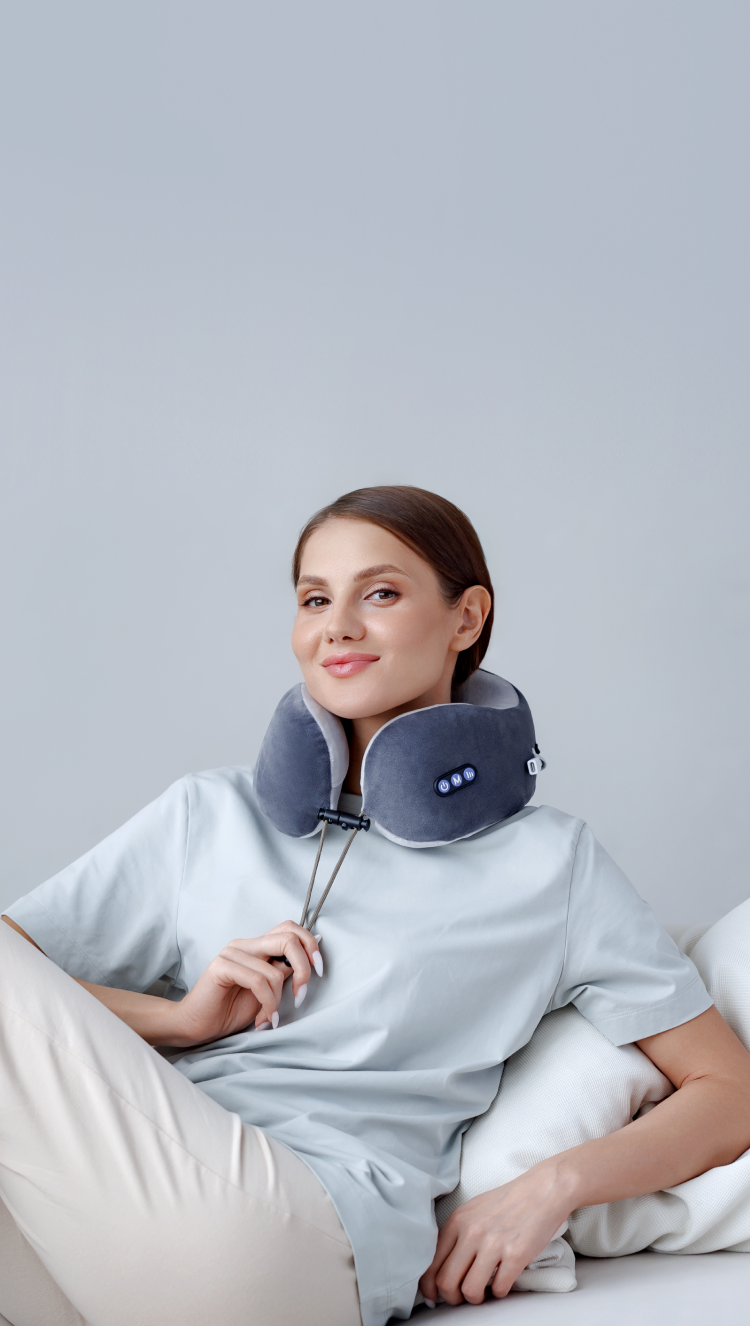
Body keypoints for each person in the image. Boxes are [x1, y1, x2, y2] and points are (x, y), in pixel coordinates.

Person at [2, 485, 750, 1326]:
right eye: (315, 600)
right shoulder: (207, 814)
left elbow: (729, 1089)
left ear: (467, 618)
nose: (338, 628)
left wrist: (551, 1186)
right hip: (112, 1213)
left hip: (299, 1233)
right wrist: (178, 1022)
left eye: (380, 593)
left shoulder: (551, 863)